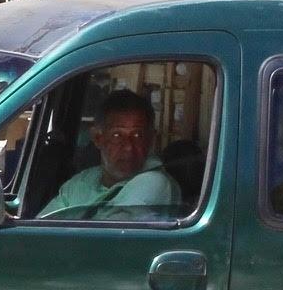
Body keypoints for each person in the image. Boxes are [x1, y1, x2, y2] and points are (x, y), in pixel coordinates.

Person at [39, 89, 182, 220]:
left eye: (138, 135)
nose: (128, 147)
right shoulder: (81, 182)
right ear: (97, 138)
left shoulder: (155, 182)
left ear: (151, 140)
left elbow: (105, 239)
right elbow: (39, 230)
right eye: (117, 135)